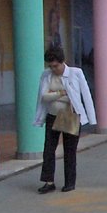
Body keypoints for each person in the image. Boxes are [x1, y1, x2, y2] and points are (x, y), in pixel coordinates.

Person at [34, 46, 97, 193]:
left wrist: (91, 118)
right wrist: (61, 93)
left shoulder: (76, 73)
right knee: (49, 149)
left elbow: (84, 96)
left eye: (55, 66)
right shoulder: (46, 75)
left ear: (63, 62)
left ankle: (70, 182)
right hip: (52, 115)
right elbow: (43, 96)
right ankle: (48, 181)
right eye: (50, 66)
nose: (53, 69)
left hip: (70, 115)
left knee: (70, 150)